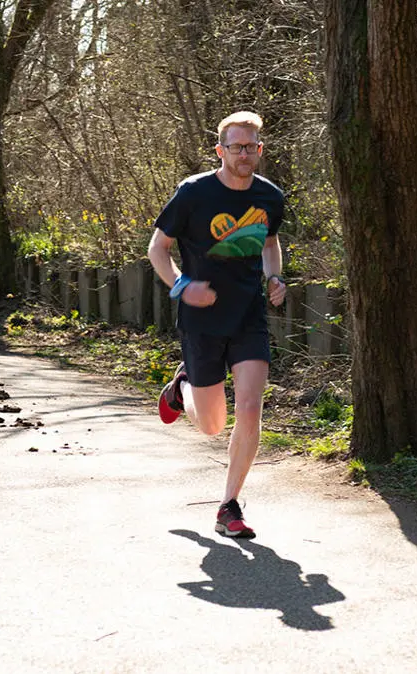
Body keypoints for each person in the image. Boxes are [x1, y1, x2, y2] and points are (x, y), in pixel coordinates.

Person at [148, 111, 286, 540]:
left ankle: (229, 506)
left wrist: (275, 277)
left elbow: (270, 242)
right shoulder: (194, 194)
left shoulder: (269, 197)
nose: (244, 154)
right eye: (236, 147)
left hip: (248, 316)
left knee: (249, 409)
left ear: (259, 151)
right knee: (211, 425)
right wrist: (181, 286)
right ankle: (182, 386)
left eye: (251, 147)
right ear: (220, 150)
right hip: (202, 319)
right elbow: (158, 248)